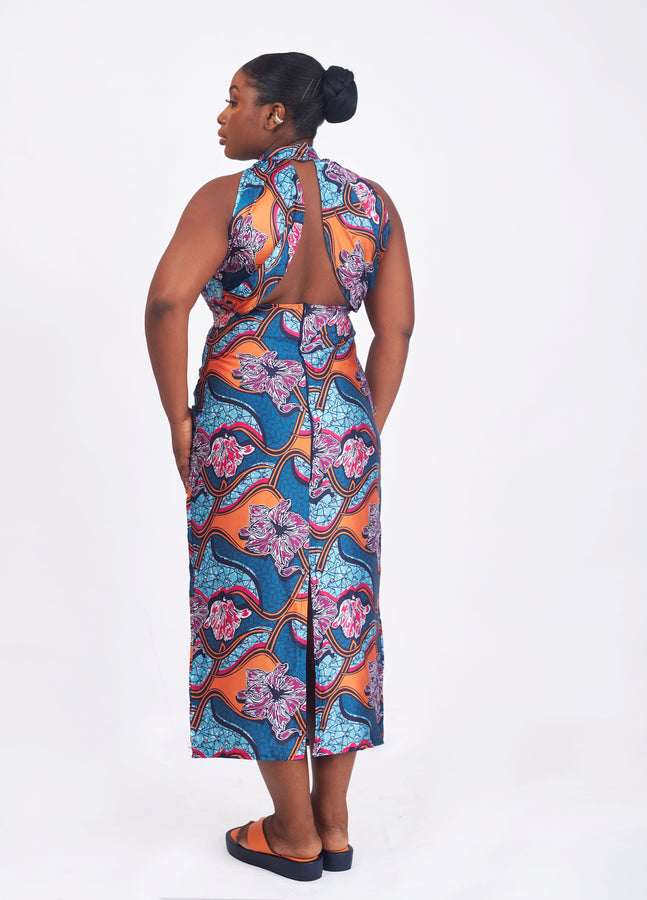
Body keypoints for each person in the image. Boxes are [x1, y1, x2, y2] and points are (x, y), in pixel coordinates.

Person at [145, 52, 414, 881]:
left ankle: (291, 832)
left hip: (247, 425)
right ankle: (333, 826)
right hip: (342, 420)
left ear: (274, 116)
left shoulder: (226, 198)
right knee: (338, 611)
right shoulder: (372, 203)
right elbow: (397, 329)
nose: (221, 115)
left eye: (233, 100)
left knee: (256, 612)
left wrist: (181, 421)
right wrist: (361, 426)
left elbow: (166, 301)